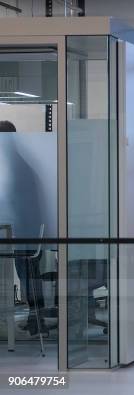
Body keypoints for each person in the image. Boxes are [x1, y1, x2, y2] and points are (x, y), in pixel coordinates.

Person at [0, 120, 47, 335]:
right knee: (30, 274)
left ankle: (36, 320)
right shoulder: (16, 161)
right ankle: (36, 319)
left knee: (27, 274)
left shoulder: (16, 164)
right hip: (26, 229)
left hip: (24, 231)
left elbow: (19, 201)